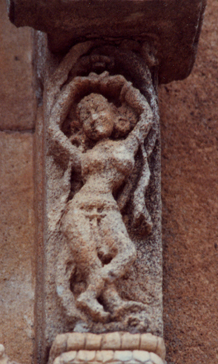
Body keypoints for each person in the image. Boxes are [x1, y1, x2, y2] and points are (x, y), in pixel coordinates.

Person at [59, 76, 153, 323]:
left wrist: (122, 86)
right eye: (86, 116)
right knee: (91, 263)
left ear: (115, 112)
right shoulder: (82, 155)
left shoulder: (128, 144)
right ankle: (113, 305)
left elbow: (147, 115)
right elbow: (50, 129)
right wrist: (73, 87)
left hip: (108, 207)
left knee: (127, 252)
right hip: (79, 207)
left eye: (99, 110)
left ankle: (89, 296)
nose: (93, 119)